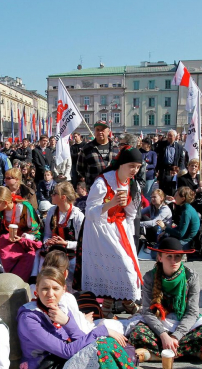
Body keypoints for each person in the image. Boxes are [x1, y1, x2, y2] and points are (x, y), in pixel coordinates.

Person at [130, 238, 202, 363]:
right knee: (137, 333)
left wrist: (176, 336)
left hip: (184, 323)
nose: (174, 261)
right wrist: (164, 335)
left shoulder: (191, 277)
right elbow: (148, 312)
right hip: (159, 322)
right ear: (160, 257)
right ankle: (194, 353)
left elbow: (192, 312)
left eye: (178, 256)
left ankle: (156, 355)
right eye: (169, 256)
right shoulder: (150, 277)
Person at [17, 267, 131, 369]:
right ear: (37, 290)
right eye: (45, 288)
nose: (50, 294)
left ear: (64, 289)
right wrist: (102, 331)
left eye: (56, 288)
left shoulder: (61, 308)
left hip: (63, 359)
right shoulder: (29, 318)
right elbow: (66, 351)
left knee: (105, 343)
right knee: (102, 347)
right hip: (44, 365)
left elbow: (80, 338)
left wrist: (67, 321)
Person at [81, 145, 143, 318]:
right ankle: (124, 303)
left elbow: (131, 213)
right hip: (99, 229)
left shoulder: (133, 185)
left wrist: (128, 237)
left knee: (126, 266)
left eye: (138, 167)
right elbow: (90, 212)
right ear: (121, 164)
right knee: (121, 266)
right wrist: (112, 202)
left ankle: (112, 305)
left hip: (119, 228)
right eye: (132, 166)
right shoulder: (103, 182)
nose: (134, 170)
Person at [42, 182, 85, 288]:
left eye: (54, 193)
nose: (52, 195)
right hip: (54, 252)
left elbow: (83, 243)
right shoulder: (52, 211)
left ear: (63, 197)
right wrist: (48, 241)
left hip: (72, 255)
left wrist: (65, 243)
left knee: (70, 270)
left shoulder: (78, 216)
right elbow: (47, 234)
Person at [77, 121, 119, 190]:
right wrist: (91, 178)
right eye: (97, 130)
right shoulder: (86, 148)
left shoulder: (116, 148)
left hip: (112, 188)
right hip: (94, 188)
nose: (100, 132)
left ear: (108, 132)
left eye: (102, 130)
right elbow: (80, 169)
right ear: (94, 132)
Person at [155, 130, 186, 194]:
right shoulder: (162, 144)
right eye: (168, 135)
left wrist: (179, 169)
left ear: (175, 137)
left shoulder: (179, 147)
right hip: (164, 169)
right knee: (162, 188)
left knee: (172, 187)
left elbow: (181, 159)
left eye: (171, 136)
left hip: (174, 170)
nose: (169, 137)